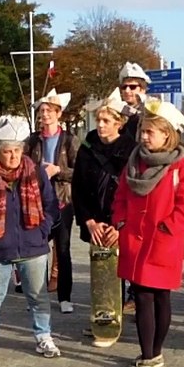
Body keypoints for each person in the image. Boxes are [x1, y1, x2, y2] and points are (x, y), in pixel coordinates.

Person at [110, 100, 184, 367]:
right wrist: (121, 221)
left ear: (167, 135)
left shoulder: (181, 168)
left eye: (150, 132)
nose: (143, 137)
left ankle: (154, 352)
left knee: (159, 296)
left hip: (162, 242)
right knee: (141, 296)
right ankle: (148, 353)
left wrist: (168, 228)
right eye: (142, 131)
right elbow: (121, 197)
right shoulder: (133, 163)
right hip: (135, 240)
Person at [0, 115, 62, 360]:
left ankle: (44, 336)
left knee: (38, 296)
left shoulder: (36, 173)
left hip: (33, 246)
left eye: (17, 151)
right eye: (8, 151)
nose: (13, 156)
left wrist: (43, 230)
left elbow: (51, 205)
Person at [71, 89, 134, 337]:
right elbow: (78, 187)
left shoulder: (131, 149)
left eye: (106, 121)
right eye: (98, 120)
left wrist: (119, 225)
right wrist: (89, 221)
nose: (100, 125)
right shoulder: (88, 146)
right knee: (102, 272)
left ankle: (123, 314)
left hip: (121, 222)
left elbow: (134, 191)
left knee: (125, 271)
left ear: (118, 123)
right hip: (94, 220)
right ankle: (103, 317)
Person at [24, 90, 79, 313]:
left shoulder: (70, 140)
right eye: (41, 110)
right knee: (36, 251)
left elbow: (80, 171)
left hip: (63, 201)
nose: (44, 114)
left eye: (49, 110)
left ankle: (64, 297)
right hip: (38, 203)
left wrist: (60, 170)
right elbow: (22, 166)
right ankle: (37, 297)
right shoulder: (32, 140)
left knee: (63, 250)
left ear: (59, 114)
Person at [118, 62, 152, 144]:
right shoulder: (116, 111)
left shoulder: (150, 112)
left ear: (143, 89)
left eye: (132, 87)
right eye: (124, 87)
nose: (127, 90)